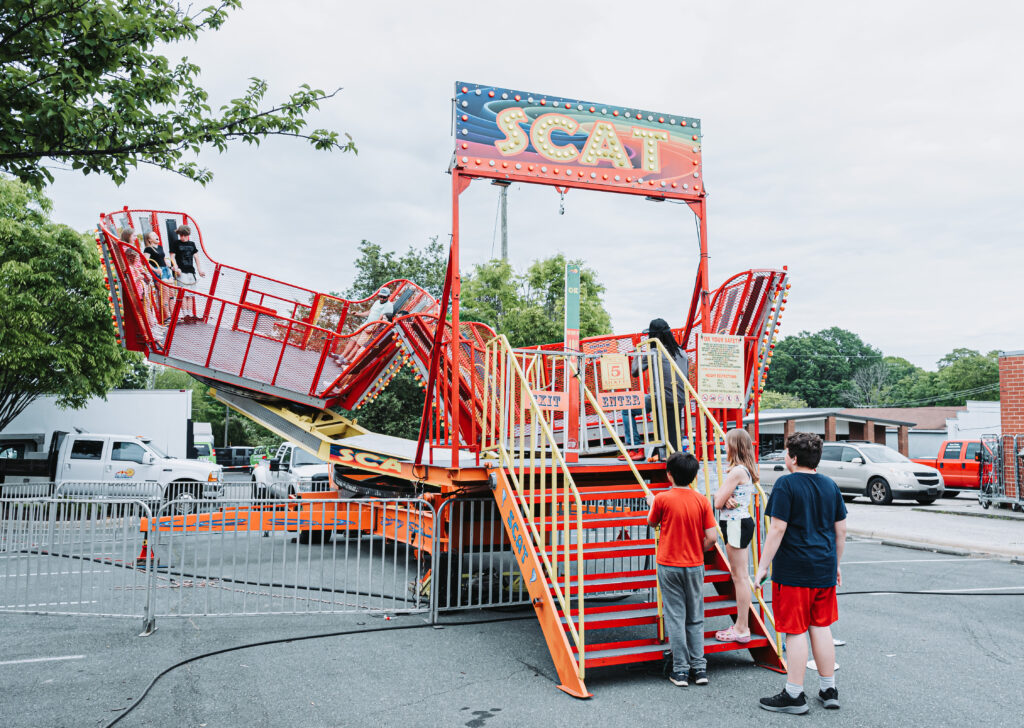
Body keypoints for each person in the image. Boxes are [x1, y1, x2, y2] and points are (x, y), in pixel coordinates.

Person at [754, 432, 847, 714]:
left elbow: (778, 529)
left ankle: (794, 694)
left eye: (786, 453)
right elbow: (840, 530)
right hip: (824, 566)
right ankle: (828, 688)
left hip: (793, 570)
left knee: (794, 631)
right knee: (821, 627)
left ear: (793, 458)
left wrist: (761, 568)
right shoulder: (830, 485)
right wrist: (837, 564)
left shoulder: (786, 484)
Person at [646, 452, 717, 687]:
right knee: (695, 618)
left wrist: (651, 503)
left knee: (676, 618)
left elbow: (652, 522)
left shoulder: (662, 499)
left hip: (669, 564)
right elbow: (712, 538)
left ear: (669, 474)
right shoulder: (702, 500)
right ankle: (700, 668)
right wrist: (698, 548)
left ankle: (680, 671)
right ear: (695, 476)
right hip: (694, 564)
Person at [713, 428, 758, 643]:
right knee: (740, 576)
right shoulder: (744, 470)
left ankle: (742, 627)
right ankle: (742, 626)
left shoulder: (736, 471)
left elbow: (717, 502)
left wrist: (721, 496)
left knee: (740, 577)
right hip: (739, 522)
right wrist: (723, 496)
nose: (724, 447)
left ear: (735, 446)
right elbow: (721, 498)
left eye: (727, 443)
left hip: (735, 523)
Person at [622, 319, 691, 460]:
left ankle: (635, 449)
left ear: (653, 336)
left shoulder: (655, 352)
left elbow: (635, 372)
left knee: (628, 410)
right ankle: (664, 452)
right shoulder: (682, 353)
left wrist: (637, 353)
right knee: (672, 429)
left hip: (661, 397)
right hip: (680, 398)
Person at [333, 286, 395, 364]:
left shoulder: (388, 306)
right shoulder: (377, 302)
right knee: (353, 339)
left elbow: (381, 319)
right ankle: (342, 356)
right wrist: (358, 314)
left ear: (388, 296)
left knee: (358, 345)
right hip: (366, 323)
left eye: (384, 297)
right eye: (380, 296)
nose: (382, 299)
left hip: (371, 326)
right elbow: (369, 312)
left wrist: (373, 328)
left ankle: (345, 360)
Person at [168, 225, 205, 321]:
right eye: (181, 235)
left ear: (187, 235)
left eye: (184, 235)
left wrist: (200, 270)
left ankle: (190, 314)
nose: (182, 237)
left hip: (191, 271)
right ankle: (185, 314)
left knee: (190, 295)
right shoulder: (176, 243)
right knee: (184, 294)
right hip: (181, 271)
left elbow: (196, 257)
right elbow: (172, 256)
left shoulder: (192, 244)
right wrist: (176, 267)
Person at [142, 231, 173, 323]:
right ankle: (167, 316)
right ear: (149, 239)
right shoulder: (148, 249)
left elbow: (163, 260)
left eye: (156, 235)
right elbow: (146, 262)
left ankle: (173, 314)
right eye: (154, 235)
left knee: (171, 293)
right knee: (165, 293)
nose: (157, 236)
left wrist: (171, 267)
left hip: (166, 270)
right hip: (158, 270)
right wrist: (155, 270)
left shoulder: (160, 247)